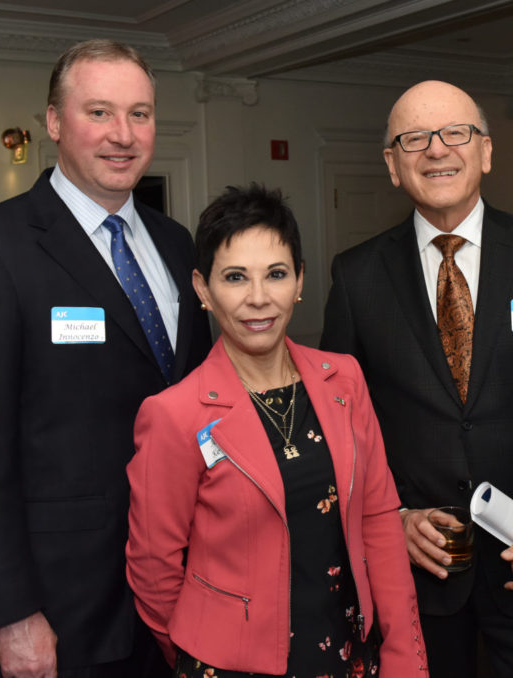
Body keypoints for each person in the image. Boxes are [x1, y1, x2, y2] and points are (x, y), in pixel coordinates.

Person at [0, 39, 211, 677]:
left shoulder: (175, 243)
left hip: (184, 579)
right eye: (100, 112)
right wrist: (12, 612)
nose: (123, 134)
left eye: (140, 114)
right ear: (54, 122)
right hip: (63, 604)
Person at [320, 80, 513, 678]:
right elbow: (341, 428)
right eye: (414, 138)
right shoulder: (356, 277)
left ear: (486, 152)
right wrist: (390, 519)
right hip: (418, 573)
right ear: (392, 166)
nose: (437, 150)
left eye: (455, 133)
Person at [126, 184, 427, 677]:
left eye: (276, 274)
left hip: (349, 654)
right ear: (203, 289)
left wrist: (404, 656)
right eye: (235, 277)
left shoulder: (344, 380)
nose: (259, 298)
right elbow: (153, 568)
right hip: (232, 665)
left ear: (300, 280)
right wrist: (199, 654)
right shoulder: (174, 414)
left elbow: (379, 523)